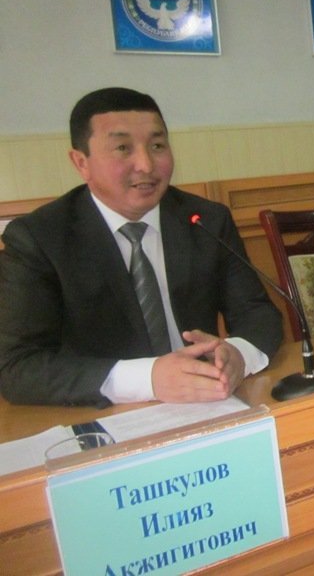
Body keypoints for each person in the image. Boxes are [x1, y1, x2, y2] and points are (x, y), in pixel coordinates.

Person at [0, 87, 283, 407]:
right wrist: (148, 379)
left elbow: (257, 313)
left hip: (207, 402)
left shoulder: (206, 220)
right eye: (123, 148)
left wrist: (239, 354)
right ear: (81, 162)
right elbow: (17, 367)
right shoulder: (39, 238)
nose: (146, 165)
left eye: (157, 145)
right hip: (106, 413)